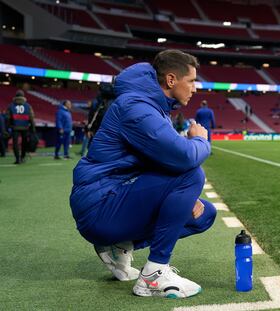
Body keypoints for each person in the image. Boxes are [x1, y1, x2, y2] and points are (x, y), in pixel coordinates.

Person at [70, 49, 216, 299]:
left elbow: (160, 161)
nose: (194, 88)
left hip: (116, 196)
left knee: (204, 214)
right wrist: (201, 141)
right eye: (191, 81)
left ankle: (118, 245)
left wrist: (181, 197)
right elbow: (183, 157)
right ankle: (154, 275)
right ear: (171, 80)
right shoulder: (136, 107)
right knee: (192, 174)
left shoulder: (153, 107)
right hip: (99, 205)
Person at [5, 90, 35, 164]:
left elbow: (7, 118)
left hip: (15, 126)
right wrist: (33, 127)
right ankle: (22, 157)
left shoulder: (11, 105)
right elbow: (31, 117)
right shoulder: (28, 105)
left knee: (15, 143)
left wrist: (8, 127)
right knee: (24, 142)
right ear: (23, 96)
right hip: (25, 127)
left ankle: (17, 159)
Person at [86, 83, 116, 147]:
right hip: (109, 132)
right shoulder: (114, 101)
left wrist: (89, 129)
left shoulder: (97, 102)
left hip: (99, 131)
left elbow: (92, 117)